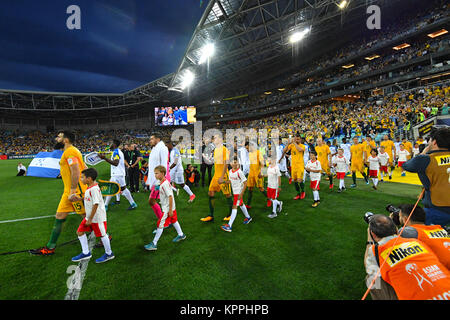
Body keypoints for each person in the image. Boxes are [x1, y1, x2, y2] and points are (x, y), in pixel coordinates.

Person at [364, 214, 450, 300]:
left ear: (373, 234)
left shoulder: (377, 250)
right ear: (397, 230)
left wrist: (370, 241)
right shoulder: (417, 242)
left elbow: (369, 269)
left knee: (371, 278)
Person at [30, 131, 87, 256]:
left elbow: (76, 170)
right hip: (68, 191)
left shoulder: (70, 151)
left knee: (87, 217)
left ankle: (105, 236)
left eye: (59, 136)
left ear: (65, 140)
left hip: (75, 192)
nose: (57, 138)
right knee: (59, 216)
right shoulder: (70, 151)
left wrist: (73, 190)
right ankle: (50, 247)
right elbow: (84, 167)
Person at [403, 126, 450, 226]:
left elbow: (406, 166)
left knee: (417, 234)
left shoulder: (426, 159)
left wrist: (423, 152)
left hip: (437, 209)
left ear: (434, 142)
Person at [71, 168, 114, 264]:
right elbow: (90, 199)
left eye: (82, 177)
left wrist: (90, 218)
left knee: (102, 235)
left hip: (97, 218)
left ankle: (109, 253)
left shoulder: (94, 189)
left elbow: (96, 204)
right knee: (80, 232)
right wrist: (80, 198)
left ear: (89, 179)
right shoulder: (90, 187)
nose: (81, 179)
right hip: (90, 217)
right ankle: (86, 252)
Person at [144, 165, 186, 251]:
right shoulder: (164, 181)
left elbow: (170, 196)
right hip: (171, 207)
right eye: (154, 173)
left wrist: (170, 210)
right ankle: (181, 235)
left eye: (156, 173)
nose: (155, 175)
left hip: (167, 209)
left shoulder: (164, 184)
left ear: (162, 173)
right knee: (174, 221)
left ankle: (154, 243)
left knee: (160, 224)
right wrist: (159, 187)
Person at [396, 204, 450, 270]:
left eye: (399, 216)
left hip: (443, 271)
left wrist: (391, 221)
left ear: (405, 219)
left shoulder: (409, 231)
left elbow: (387, 239)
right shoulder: (439, 228)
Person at [201, 135, 233, 222]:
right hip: (216, 175)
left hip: (223, 175)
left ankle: (230, 215)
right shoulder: (216, 150)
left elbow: (227, 162)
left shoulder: (224, 149)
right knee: (211, 193)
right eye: (213, 138)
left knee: (228, 195)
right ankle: (211, 216)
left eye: (215, 138)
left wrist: (222, 177)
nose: (213, 140)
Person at [99, 140, 138, 211]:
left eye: (111, 143)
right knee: (123, 189)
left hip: (117, 174)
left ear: (114, 144)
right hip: (118, 174)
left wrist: (105, 158)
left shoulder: (116, 152)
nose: (109, 144)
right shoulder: (117, 151)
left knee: (111, 189)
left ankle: (105, 206)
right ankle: (133, 204)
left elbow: (116, 163)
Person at [221, 160, 252, 232]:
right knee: (241, 204)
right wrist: (223, 182)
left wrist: (241, 194)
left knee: (234, 207)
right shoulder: (230, 171)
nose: (234, 163)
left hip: (238, 192)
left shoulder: (239, 172)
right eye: (233, 162)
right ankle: (248, 217)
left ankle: (229, 225)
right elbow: (231, 181)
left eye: (236, 162)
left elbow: (245, 183)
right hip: (235, 192)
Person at [146, 132, 169, 221]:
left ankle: (163, 221)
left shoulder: (162, 148)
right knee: (159, 202)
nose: (150, 140)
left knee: (153, 201)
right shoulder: (155, 148)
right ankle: (165, 220)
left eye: (152, 139)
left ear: (158, 139)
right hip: (155, 180)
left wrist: (161, 180)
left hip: (158, 181)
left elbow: (163, 165)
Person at [279, 134, 306, 200]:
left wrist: (294, 142)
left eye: (298, 139)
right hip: (293, 165)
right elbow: (284, 151)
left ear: (300, 140)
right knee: (295, 180)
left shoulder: (303, 146)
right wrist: (288, 144)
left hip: (300, 165)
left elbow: (300, 150)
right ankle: (298, 193)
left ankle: (302, 192)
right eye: (296, 139)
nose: (297, 140)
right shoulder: (292, 146)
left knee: (300, 180)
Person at [246, 142, 267, 209]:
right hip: (251, 173)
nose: (247, 150)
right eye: (246, 149)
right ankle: (248, 204)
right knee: (250, 188)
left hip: (258, 174)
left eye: (248, 148)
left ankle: (271, 199)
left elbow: (263, 163)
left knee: (261, 188)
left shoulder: (258, 152)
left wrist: (262, 172)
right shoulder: (249, 153)